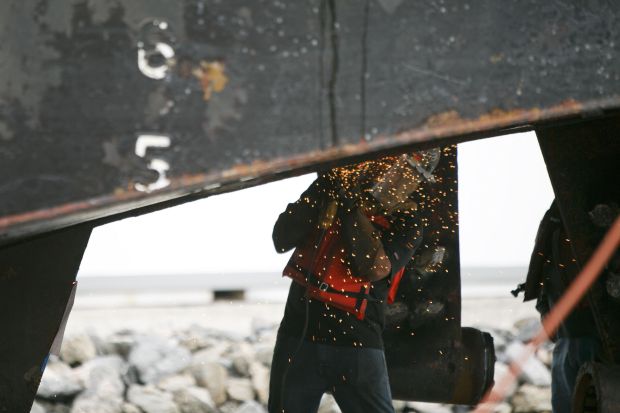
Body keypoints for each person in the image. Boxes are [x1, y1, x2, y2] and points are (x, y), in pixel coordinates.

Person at [268, 151, 438, 413]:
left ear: (416, 182)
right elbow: (281, 238)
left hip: (357, 347)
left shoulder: (409, 221)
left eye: (408, 175)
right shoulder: (334, 185)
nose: (396, 179)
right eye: (395, 168)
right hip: (298, 336)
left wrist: (349, 206)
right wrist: (326, 187)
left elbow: (373, 267)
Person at [519, 201, 602, 413]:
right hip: (567, 338)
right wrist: (545, 312)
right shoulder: (555, 222)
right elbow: (545, 275)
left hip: (594, 339)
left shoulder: (592, 221)